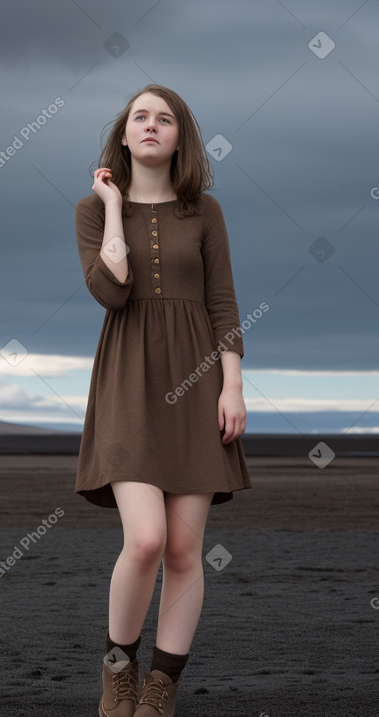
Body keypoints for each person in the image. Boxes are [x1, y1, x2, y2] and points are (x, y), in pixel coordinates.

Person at [74, 84, 252, 717]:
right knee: (145, 539)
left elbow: (223, 302)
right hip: (128, 382)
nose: (151, 126)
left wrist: (231, 385)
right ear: (124, 135)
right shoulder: (93, 211)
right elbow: (111, 291)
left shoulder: (205, 212)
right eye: (139, 118)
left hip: (200, 379)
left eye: (165, 118)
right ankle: (117, 670)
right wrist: (114, 205)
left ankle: (161, 689)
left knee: (183, 549)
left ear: (181, 136)